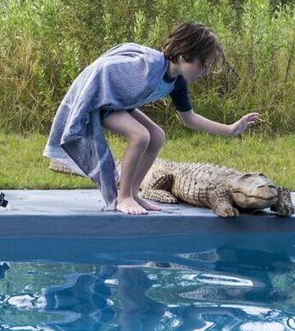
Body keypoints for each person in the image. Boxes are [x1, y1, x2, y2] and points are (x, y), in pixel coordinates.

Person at [44, 22, 261, 215]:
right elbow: (102, 68)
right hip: (99, 101)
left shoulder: (177, 82)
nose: (204, 72)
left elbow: (189, 119)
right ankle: (123, 197)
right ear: (184, 56)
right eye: (202, 65)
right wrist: (89, 98)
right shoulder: (148, 66)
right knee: (140, 136)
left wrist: (230, 129)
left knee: (157, 136)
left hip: (119, 104)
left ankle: (133, 193)